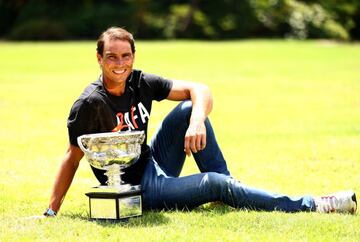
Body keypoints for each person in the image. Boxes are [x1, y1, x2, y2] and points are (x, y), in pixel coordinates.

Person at [43, 26, 357, 217]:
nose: (120, 63)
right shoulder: (89, 104)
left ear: (134, 57)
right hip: (136, 188)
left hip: (152, 161)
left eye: (126, 56)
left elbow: (200, 89)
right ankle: (315, 203)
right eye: (112, 56)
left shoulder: (141, 82)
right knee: (215, 185)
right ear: (99, 58)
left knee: (187, 111)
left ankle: (230, 192)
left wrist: (196, 121)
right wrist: (51, 210)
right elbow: (72, 157)